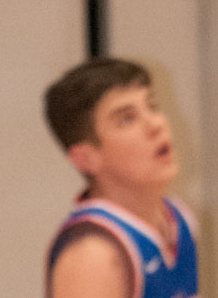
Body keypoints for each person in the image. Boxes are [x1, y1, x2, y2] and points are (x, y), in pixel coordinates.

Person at [43, 57, 197, 298]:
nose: (155, 124)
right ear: (86, 159)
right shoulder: (94, 255)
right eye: (127, 119)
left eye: (152, 106)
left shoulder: (179, 219)